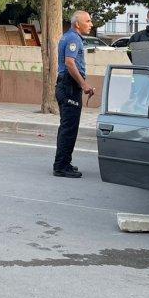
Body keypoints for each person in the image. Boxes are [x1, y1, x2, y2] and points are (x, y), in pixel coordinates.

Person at [54, 10, 95, 178]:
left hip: (66, 85)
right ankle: (61, 166)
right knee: (69, 128)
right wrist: (84, 84)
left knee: (67, 127)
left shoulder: (69, 37)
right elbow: (70, 63)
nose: (91, 24)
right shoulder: (73, 38)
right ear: (77, 24)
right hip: (69, 87)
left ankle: (63, 162)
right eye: (88, 21)